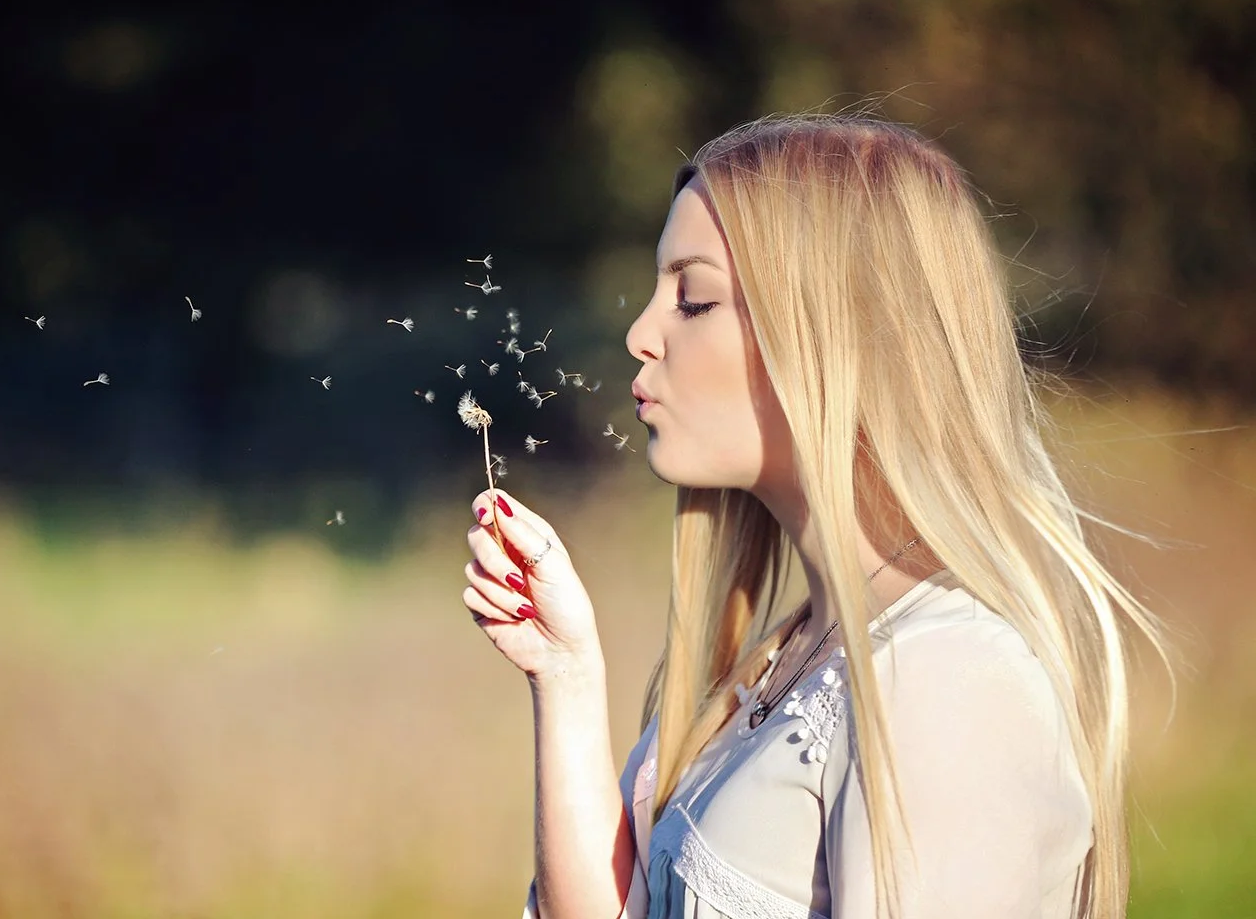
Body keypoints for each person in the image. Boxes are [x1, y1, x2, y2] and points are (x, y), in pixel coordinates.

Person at [460, 114, 1169, 919]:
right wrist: (566, 675)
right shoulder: (779, 660)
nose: (638, 335)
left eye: (692, 300)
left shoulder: (946, 682)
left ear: (833, 333)